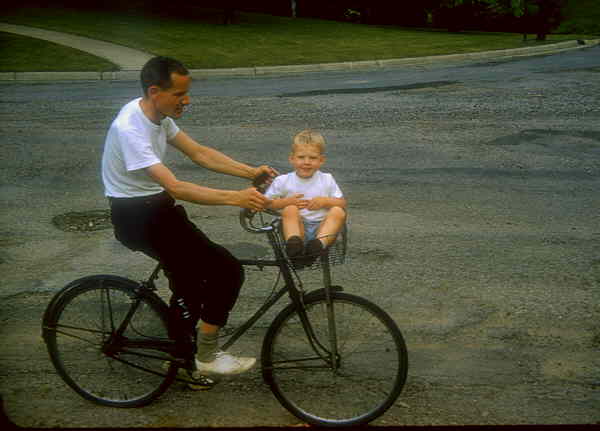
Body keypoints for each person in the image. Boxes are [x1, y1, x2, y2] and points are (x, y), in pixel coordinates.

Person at [101, 56, 276, 381]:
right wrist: (235, 197)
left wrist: (250, 172)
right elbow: (177, 186)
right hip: (137, 216)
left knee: (193, 281)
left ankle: (183, 359)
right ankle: (203, 357)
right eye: (179, 94)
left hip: (156, 209)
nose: (187, 100)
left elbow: (199, 153)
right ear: (155, 91)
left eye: (187, 92)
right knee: (225, 270)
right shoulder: (131, 130)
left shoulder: (158, 115)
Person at [265, 130, 346, 264]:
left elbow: (342, 202)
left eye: (313, 158)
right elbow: (267, 203)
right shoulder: (283, 180)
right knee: (290, 209)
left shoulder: (327, 179)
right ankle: (294, 247)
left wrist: (326, 201)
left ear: (321, 160)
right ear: (292, 159)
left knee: (338, 211)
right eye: (301, 157)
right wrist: (286, 202)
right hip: (296, 228)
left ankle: (317, 247)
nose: (306, 162)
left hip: (323, 229)